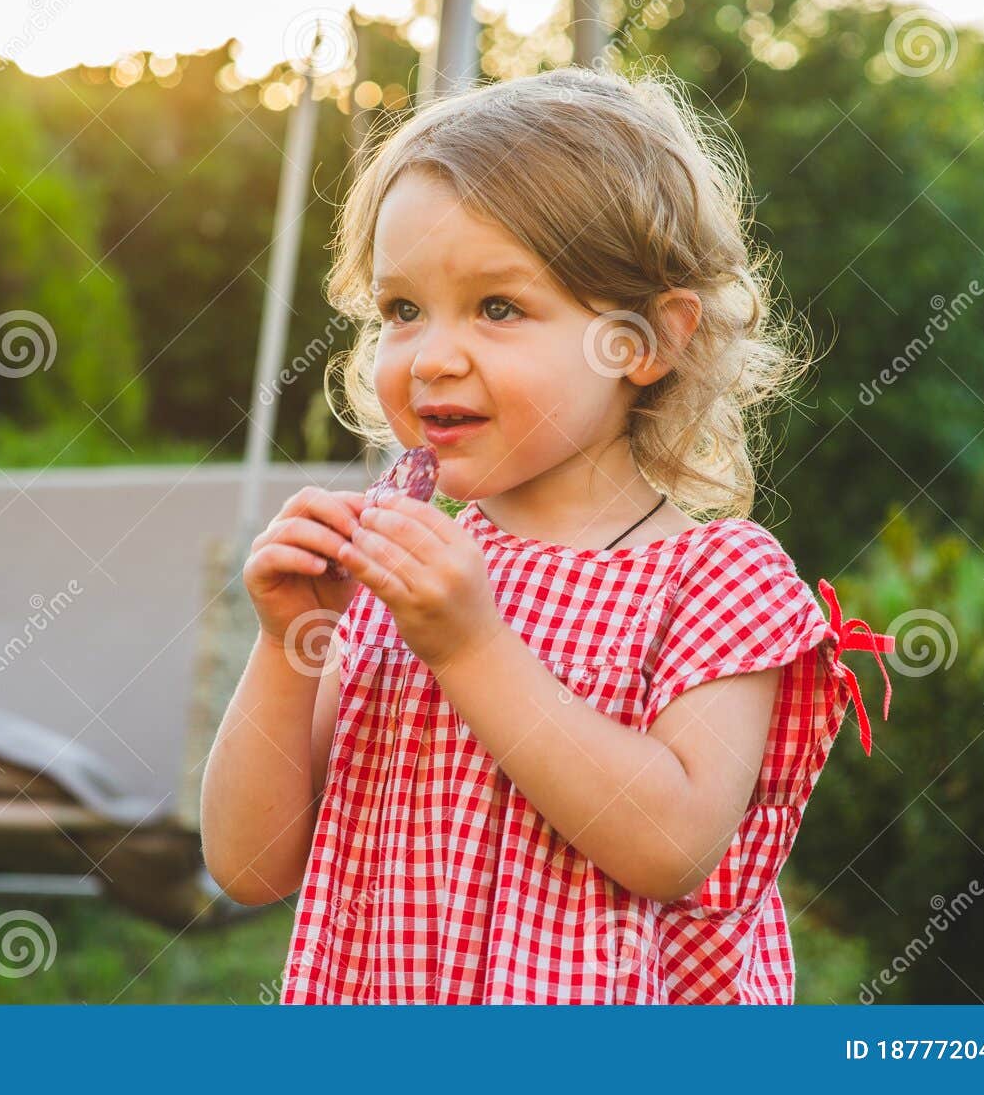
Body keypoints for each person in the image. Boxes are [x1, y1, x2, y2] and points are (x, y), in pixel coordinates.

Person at [200, 64, 896, 1004]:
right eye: (404, 310)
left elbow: (669, 846)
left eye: (498, 307)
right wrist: (290, 643)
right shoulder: (403, 573)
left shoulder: (715, 580)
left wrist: (472, 645)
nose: (433, 356)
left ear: (648, 339)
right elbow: (251, 863)